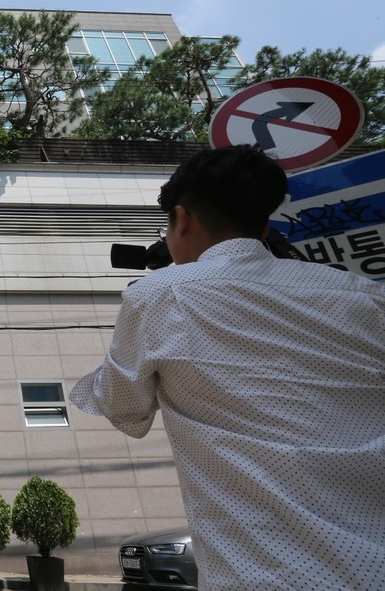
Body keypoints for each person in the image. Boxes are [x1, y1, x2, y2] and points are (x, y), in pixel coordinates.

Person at [70, 145, 385, 590]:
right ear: (265, 221)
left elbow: (124, 408)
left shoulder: (160, 294)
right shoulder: (365, 295)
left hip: (264, 574)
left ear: (182, 218)